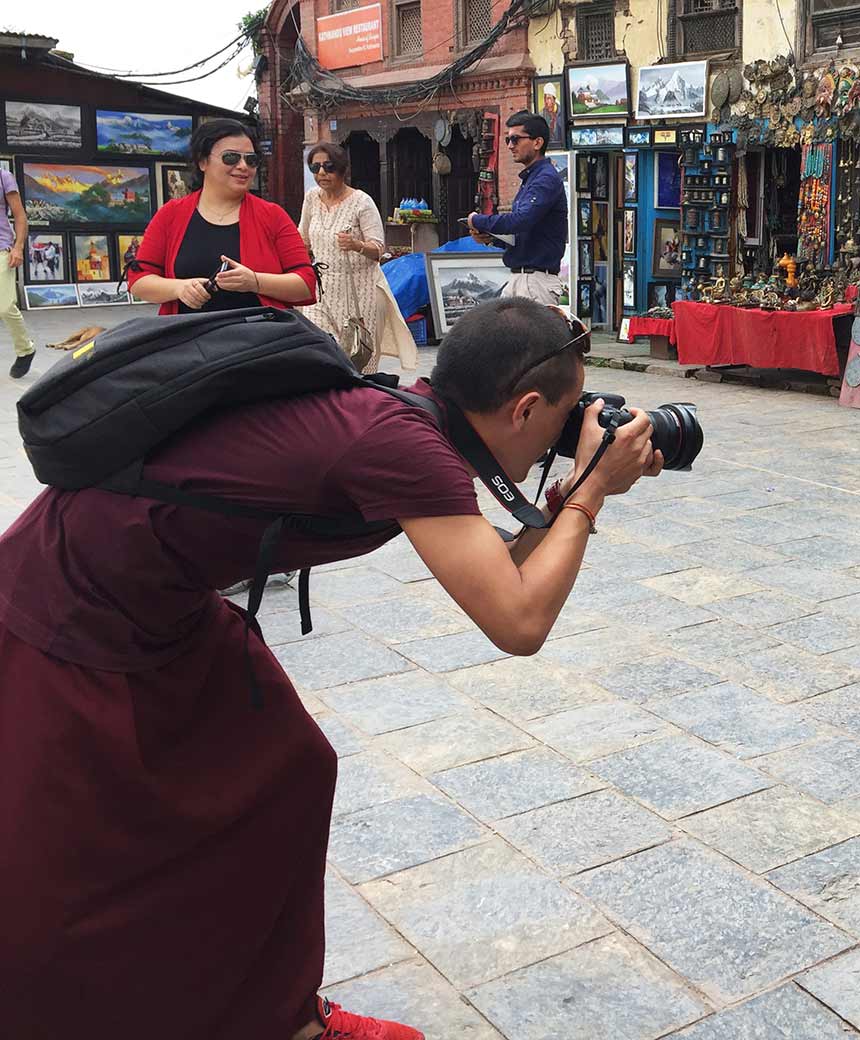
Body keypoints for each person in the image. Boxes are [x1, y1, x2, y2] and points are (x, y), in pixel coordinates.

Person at [0, 298, 663, 1039]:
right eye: (569, 419)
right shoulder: (401, 443)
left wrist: (570, 499)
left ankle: (276, 1016)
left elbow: (498, 574)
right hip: (75, 601)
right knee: (69, 852)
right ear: (526, 408)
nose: (571, 437)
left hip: (163, 599)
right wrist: (592, 492)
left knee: (289, 770)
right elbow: (518, 621)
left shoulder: (405, 420)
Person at [129, 118, 316, 314]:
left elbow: (306, 283)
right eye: (231, 157)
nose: (243, 166)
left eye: (251, 160)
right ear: (203, 161)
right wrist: (179, 288)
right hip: (188, 331)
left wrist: (255, 282)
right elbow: (139, 280)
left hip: (260, 331)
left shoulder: (272, 216)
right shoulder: (171, 214)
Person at [298, 141, 414, 372]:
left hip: (360, 292)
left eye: (328, 167)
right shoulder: (311, 198)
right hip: (322, 290)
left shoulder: (362, 202)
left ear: (342, 169)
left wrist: (356, 245)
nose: (321, 173)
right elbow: (302, 239)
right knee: (318, 350)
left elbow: (378, 249)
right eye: (315, 168)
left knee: (358, 362)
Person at [467, 111, 567, 305]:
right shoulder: (533, 178)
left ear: (537, 143)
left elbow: (521, 220)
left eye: (515, 139)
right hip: (520, 278)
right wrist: (490, 238)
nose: (510, 146)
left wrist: (477, 220)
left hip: (535, 281)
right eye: (507, 140)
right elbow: (523, 236)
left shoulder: (545, 179)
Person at [2, 161, 35, 379]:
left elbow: (20, 216)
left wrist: (18, 247)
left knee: (4, 306)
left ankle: (25, 349)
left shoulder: (4, 177)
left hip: (1, 249)